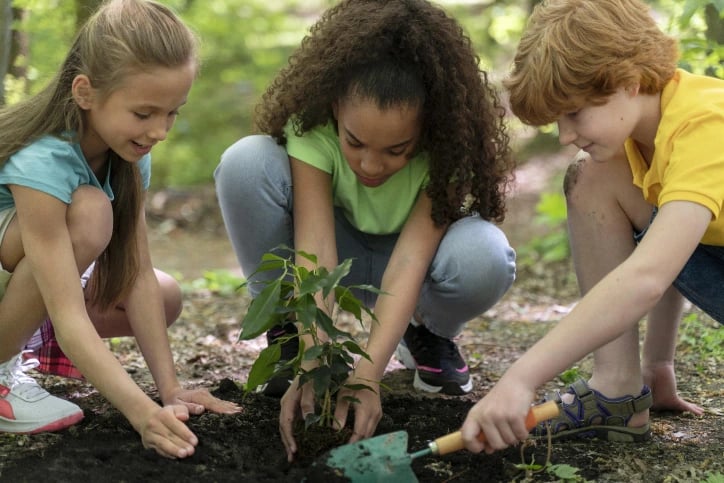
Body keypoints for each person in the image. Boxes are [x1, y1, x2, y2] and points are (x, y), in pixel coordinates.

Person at [215, 0, 517, 462]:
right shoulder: (313, 126)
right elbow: (314, 249)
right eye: (354, 143)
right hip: (340, 249)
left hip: (414, 265)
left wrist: (366, 376)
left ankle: (426, 331)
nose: (371, 165)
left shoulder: (447, 147)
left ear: (427, 130)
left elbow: (412, 259)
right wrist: (316, 362)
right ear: (336, 107)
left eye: (397, 150)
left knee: (485, 257)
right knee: (245, 162)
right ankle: (290, 333)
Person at [461, 0, 722, 454]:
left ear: (628, 80)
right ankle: (618, 390)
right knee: (592, 174)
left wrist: (521, 377)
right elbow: (672, 241)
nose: (563, 135)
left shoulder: (706, 126)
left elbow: (647, 276)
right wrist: (657, 361)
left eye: (574, 113)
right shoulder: (647, 131)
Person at [0, 0, 240, 459]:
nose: (161, 130)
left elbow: (137, 272)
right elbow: (68, 314)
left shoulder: (128, 156)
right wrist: (139, 412)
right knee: (90, 212)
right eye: (145, 113)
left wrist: (169, 392)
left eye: (173, 113)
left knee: (164, 295)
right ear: (86, 92)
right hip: (19, 275)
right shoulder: (41, 161)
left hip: (18, 282)